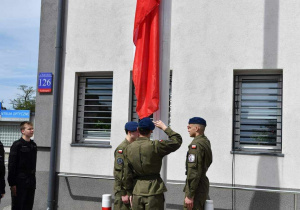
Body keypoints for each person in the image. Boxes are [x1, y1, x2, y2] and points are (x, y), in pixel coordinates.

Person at [124, 117, 182, 210]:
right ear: (151, 131)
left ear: (138, 130)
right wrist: (164, 128)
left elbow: (127, 173)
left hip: (137, 191)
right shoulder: (156, 146)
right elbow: (177, 140)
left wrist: (129, 192)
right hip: (154, 190)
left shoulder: (128, 148)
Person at [183, 117, 213, 210]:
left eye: (189, 127)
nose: (187, 129)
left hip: (196, 187)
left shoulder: (196, 145)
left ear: (196, 128)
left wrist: (190, 195)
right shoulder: (205, 141)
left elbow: (193, 171)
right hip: (201, 184)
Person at [8, 121, 37, 210]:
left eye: (32, 129)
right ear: (23, 131)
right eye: (29, 129)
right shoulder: (17, 145)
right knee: (18, 206)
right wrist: (12, 183)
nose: (32, 131)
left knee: (28, 205)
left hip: (30, 181)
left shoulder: (33, 145)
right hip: (19, 181)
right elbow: (12, 165)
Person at [114, 121, 139, 210]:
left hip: (132, 188)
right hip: (124, 191)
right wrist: (123, 193)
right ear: (129, 132)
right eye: (136, 131)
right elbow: (119, 172)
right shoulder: (122, 149)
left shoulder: (133, 146)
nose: (139, 134)